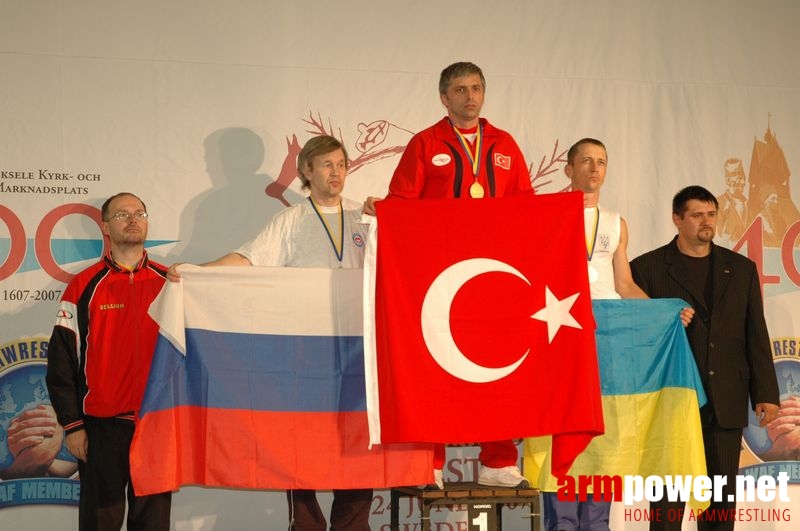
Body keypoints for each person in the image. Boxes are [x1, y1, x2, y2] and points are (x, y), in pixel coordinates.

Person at [167, 135, 372, 531]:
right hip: (308, 353)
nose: (336, 172)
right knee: (303, 439)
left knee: (357, 436)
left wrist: (393, 214)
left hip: (358, 349)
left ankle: (354, 525)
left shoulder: (366, 216)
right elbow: (248, 259)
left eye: (342, 164)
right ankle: (307, 524)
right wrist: (200, 271)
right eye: (327, 165)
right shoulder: (290, 220)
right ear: (307, 172)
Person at [364, 61, 532, 489]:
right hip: (438, 278)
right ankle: (430, 462)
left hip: (494, 278)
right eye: (460, 89)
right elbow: (402, 203)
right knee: (434, 368)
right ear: (444, 97)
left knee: (496, 364)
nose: (470, 97)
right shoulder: (425, 143)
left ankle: (497, 459)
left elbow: (528, 210)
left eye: (476, 88)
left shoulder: (506, 144)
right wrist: (383, 210)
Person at [630, 185, 780, 531]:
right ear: (677, 219)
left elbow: (755, 332)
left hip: (725, 402)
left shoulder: (740, 268)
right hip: (671, 404)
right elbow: (637, 336)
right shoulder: (646, 268)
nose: (706, 221)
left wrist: (766, 393)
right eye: (697, 215)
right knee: (667, 508)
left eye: (711, 214)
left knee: (718, 509)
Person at [541, 138, 651, 531]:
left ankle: (598, 523)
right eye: (585, 161)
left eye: (601, 161)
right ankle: (563, 522)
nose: (594, 168)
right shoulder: (546, 214)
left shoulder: (615, 222)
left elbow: (625, 284)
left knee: (603, 433)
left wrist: (662, 312)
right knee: (567, 430)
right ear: (568, 169)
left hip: (608, 336)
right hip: (562, 333)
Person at [46, 192, 172, 531]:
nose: (133, 219)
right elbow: (61, 363)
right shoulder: (83, 286)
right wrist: (72, 425)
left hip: (156, 426)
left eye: (139, 213)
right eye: (122, 215)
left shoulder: (171, 283)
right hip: (102, 428)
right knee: (99, 524)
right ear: (105, 227)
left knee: (154, 524)